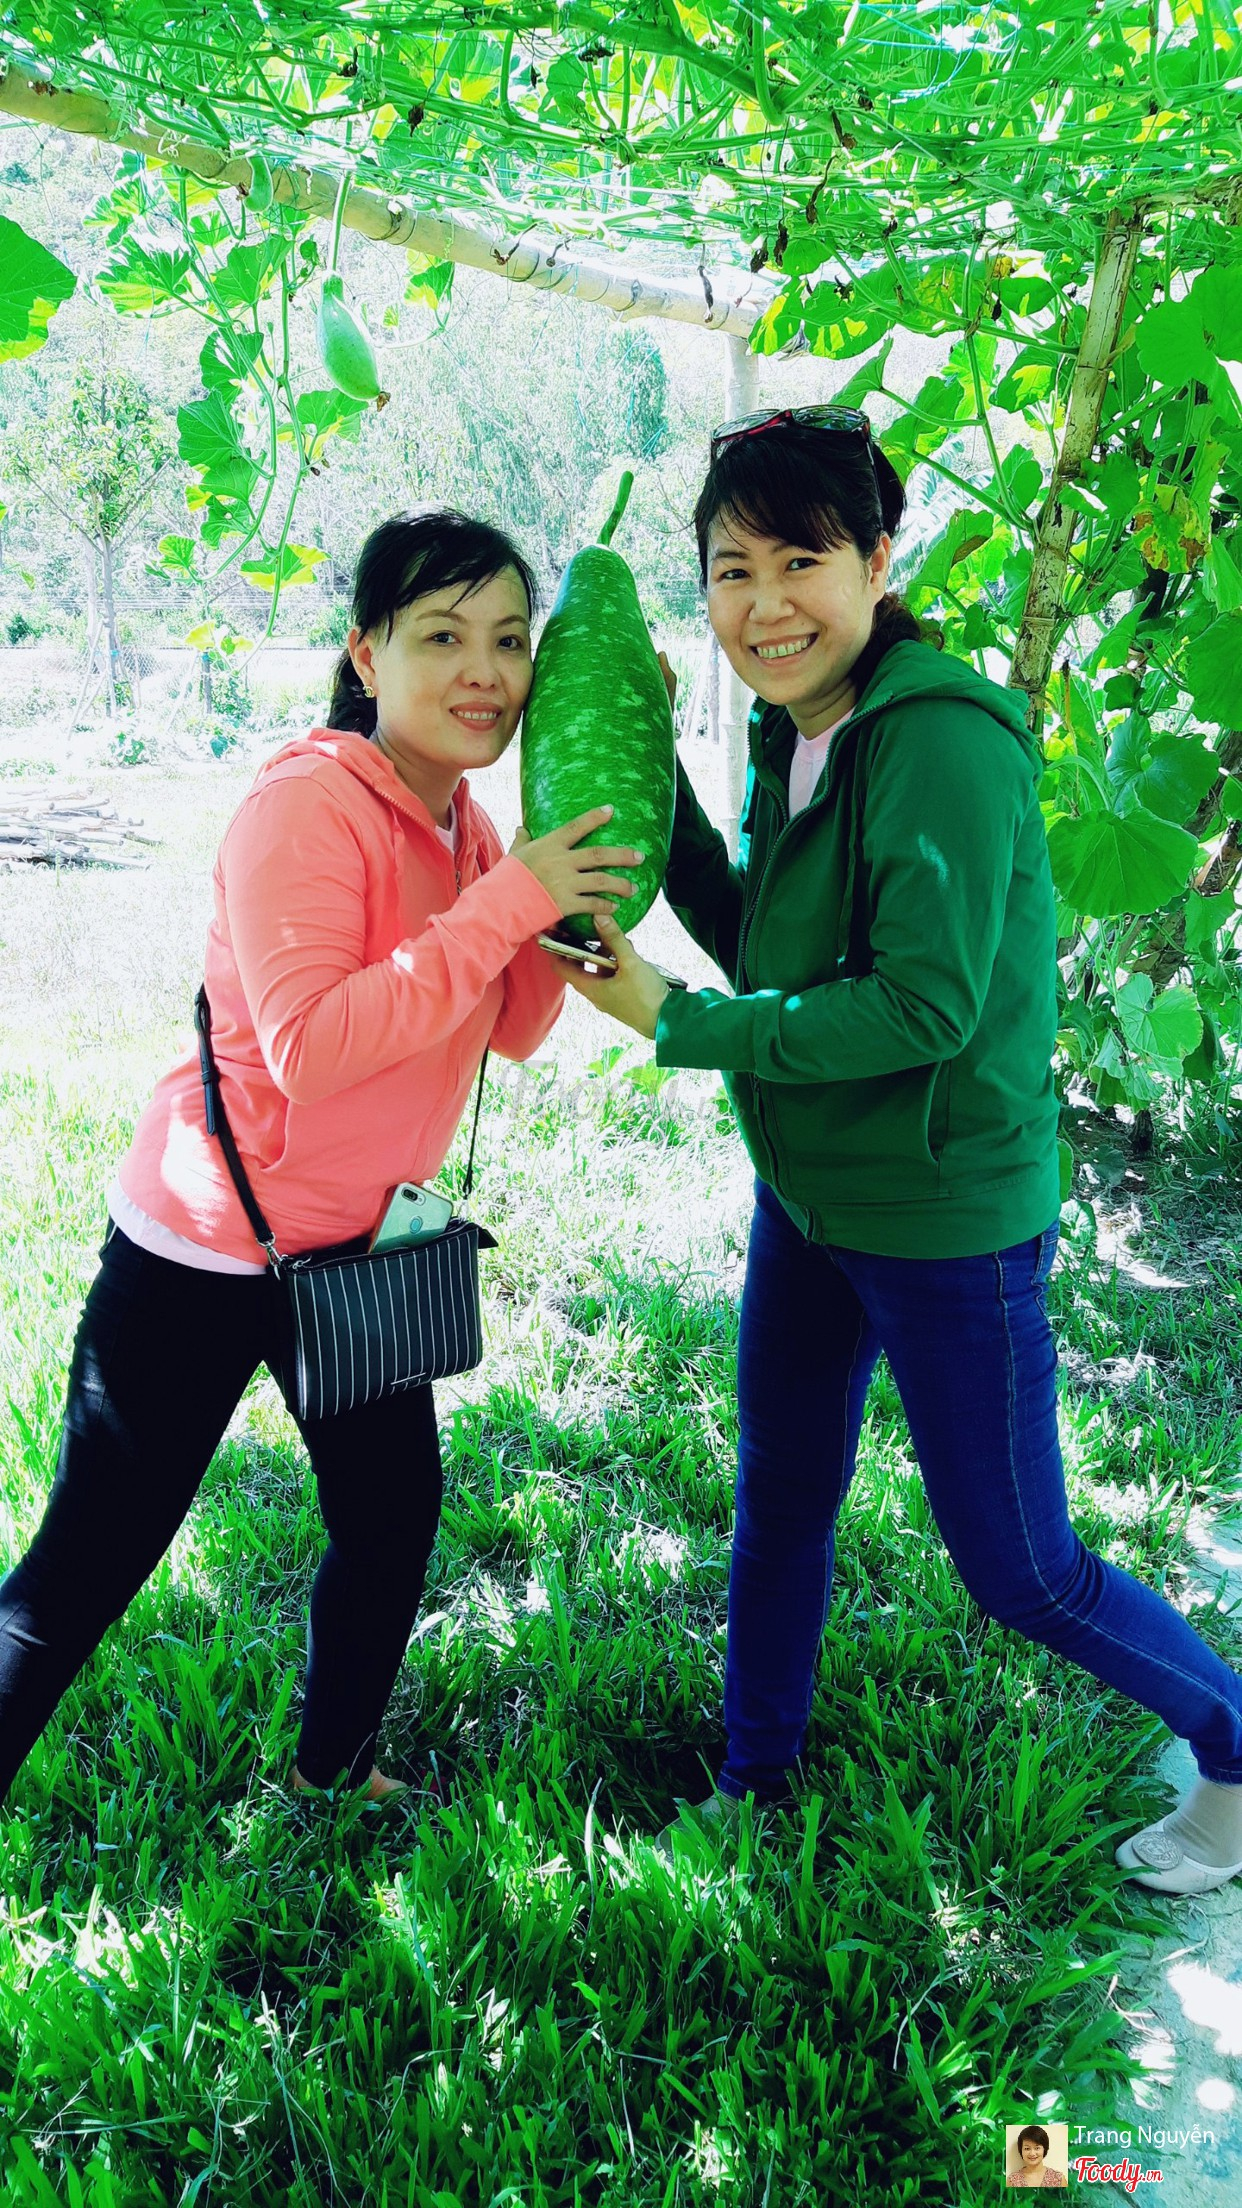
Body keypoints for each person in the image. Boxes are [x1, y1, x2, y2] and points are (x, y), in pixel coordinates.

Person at [566, 404, 1242, 1892]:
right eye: (730, 570)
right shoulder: (799, 727)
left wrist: (675, 1020)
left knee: (1021, 1569)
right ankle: (753, 1778)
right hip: (812, 1196)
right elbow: (771, 939)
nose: (763, 604)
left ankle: (1237, 1747)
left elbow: (921, 1006)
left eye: (799, 561)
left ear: (878, 561)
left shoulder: (936, 739)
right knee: (782, 1495)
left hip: (943, 1217)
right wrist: (654, 797)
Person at [0, 509, 643, 1811]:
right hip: (206, 1250)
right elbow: (311, 1047)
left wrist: (563, 897)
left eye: (511, 641)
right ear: (365, 653)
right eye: (442, 636)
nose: (484, 671)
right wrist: (509, 902)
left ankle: (334, 1770)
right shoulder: (307, 804)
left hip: (355, 1256)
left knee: (391, 1522)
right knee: (86, 1570)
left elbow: (511, 1027)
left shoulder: (467, 828)